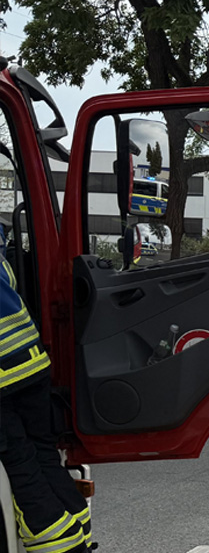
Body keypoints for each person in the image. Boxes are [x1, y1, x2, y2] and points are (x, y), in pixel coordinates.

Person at [0, 229, 92, 553]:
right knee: (43, 454)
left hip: (2, 379)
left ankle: (62, 548)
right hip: (32, 361)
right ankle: (79, 530)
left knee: (21, 465)